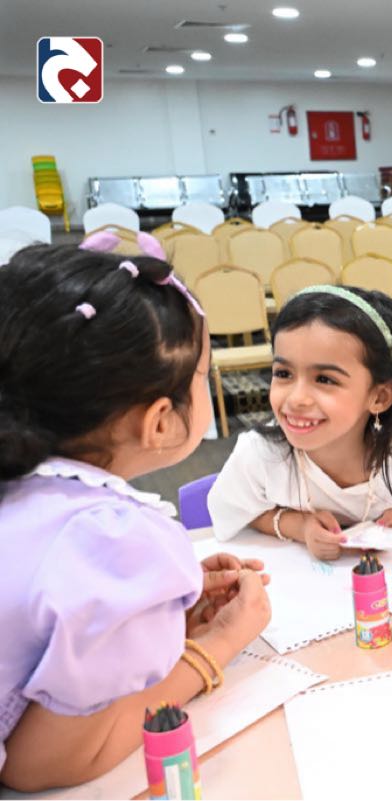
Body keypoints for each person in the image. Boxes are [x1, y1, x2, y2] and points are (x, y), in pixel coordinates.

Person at [0, 240, 270, 791]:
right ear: (160, 421)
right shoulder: (118, 545)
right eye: (202, 376)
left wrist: (146, 621)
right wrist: (217, 645)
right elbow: (43, 765)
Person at [208, 286, 392, 560]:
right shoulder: (262, 455)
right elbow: (234, 511)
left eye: (324, 379)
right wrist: (299, 526)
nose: (296, 399)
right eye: (283, 373)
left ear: (379, 397)